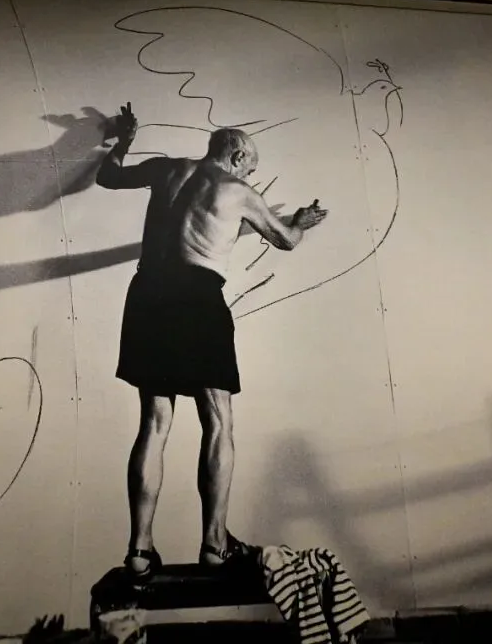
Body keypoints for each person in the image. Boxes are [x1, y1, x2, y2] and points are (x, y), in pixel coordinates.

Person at [96, 103, 328, 578]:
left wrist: (123, 143)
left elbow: (109, 177)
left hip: (147, 293)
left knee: (154, 422)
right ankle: (214, 545)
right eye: (251, 167)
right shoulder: (239, 191)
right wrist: (301, 220)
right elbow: (285, 240)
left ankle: (139, 550)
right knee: (218, 422)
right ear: (238, 156)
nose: (250, 175)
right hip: (198, 296)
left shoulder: (165, 170)